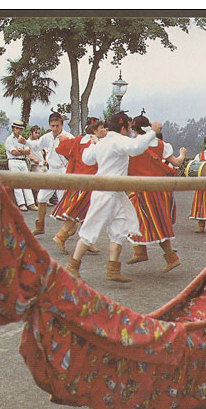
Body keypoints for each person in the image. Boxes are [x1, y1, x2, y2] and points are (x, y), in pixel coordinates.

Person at [65, 112, 162, 282]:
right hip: (106, 192)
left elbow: (87, 159)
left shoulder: (104, 141)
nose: (130, 131)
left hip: (113, 192)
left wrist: (94, 143)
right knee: (91, 229)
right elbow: (135, 148)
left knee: (120, 226)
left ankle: (113, 268)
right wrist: (153, 132)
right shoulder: (117, 140)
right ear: (123, 127)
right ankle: (72, 266)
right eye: (129, 128)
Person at [125, 113, 187, 273]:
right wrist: (183, 155)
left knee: (156, 223)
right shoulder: (161, 144)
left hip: (147, 190)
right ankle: (140, 251)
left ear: (135, 130)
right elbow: (177, 163)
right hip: (159, 189)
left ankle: (171, 257)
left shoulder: (134, 144)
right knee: (135, 217)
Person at [50, 117, 105, 255]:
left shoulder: (78, 140)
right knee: (77, 213)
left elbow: (61, 148)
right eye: (101, 128)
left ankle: (88, 241)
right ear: (94, 130)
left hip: (76, 180)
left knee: (85, 214)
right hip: (88, 182)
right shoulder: (95, 144)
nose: (104, 130)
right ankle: (61, 236)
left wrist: (72, 158)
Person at [32, 112, 74, 235]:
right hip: (51, 171)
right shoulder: (47, 137)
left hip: (63, 171)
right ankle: (40, 226)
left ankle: (66, 232)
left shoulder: (69, 137)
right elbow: (36, 146)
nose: (55, 128)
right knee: (41, 198)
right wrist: (25, 143)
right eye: (52, 126)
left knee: (64, 204)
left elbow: (73, 156)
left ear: (62, 124)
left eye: (57, 126)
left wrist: (63, 146)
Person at [4, 119, 38, 211]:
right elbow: (14, 152)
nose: (18, 130)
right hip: (13, 161)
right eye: (17, 128)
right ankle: (21, 204)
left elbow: (28, 151)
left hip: (23, 161)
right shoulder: (9, 139)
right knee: (17, 183)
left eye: (20, 128)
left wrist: (21, 150)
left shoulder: (22, 139)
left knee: (26, 182)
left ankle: (31, 203)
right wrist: (22, 151)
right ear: (13, 128)